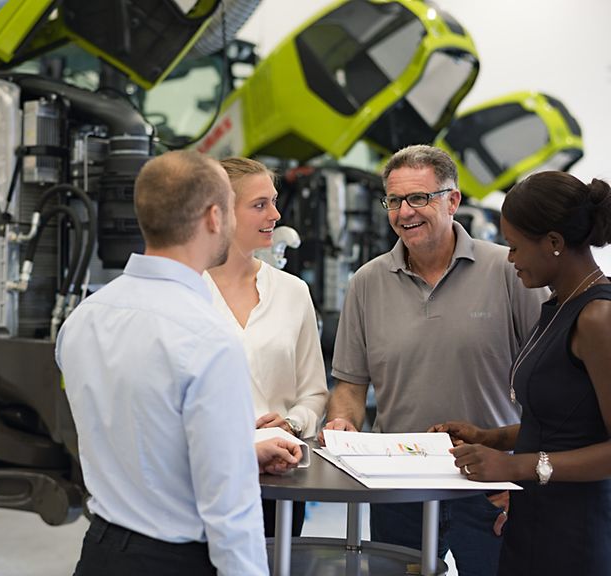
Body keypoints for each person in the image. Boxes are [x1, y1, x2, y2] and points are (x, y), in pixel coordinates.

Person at [56, 150, 302, 576]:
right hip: (178, 560)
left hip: (100, 551)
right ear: (213, 218)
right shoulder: (208, 338)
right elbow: (228, 505)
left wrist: (242, 449)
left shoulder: (84, 319)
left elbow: (144, 435)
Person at [321, 145, 546, 576]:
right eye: (394, 201)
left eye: (419, 198)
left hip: (487, 484)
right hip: (398, 488)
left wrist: (525, 475)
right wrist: (343, 423)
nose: (405, 212)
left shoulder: (508, 271)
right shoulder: (366, 282)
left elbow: (548, 384)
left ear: (453, 200)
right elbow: (350, 384)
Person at [432, 171, 611, 576]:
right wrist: (490, 437)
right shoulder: (557, 305)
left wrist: (515, 466)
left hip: (576, 533)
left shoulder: (599, 316)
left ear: (553, 243)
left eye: (515, 247)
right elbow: (564, 420)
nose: (510, 259)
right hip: (531, 518)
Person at [204, 157, 328, 536]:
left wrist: (291, 422)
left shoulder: (293, 292)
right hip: (203, 477)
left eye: (274, 201)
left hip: (279, 481)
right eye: (260, 205)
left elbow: (315, 394)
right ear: (219, 212)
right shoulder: (185, 291)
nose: (275, 214)